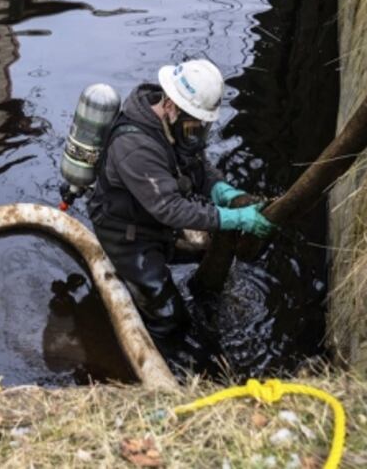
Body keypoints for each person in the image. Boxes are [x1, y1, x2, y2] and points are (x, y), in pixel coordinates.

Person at [87, 59, 274, 364]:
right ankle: (168, 365)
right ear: (170, 106)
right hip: (127, 234)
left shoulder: (174, 127)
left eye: (202, 124)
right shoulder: (135, 147)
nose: (198, 132)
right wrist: (231, 219)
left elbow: (197, 165)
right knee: (170, 319)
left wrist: (221, 190)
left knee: (207, 250)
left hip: (154, 219)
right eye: (194, 123)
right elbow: (170, 209)